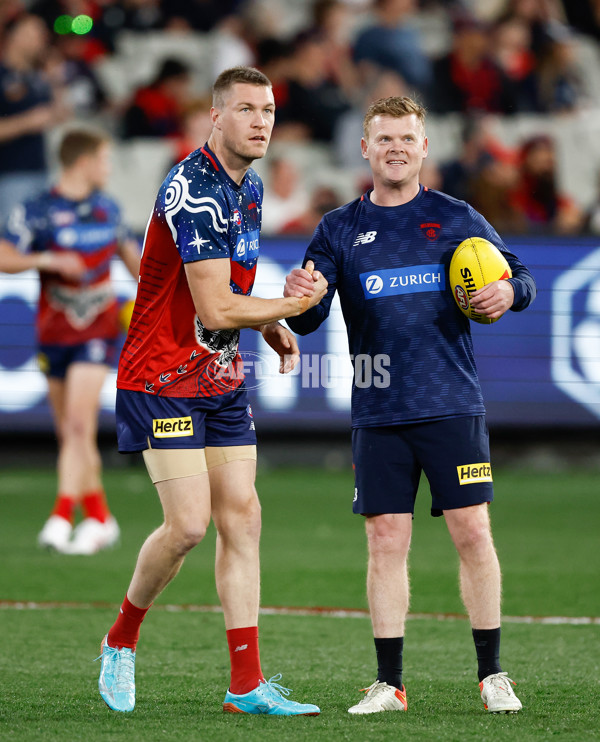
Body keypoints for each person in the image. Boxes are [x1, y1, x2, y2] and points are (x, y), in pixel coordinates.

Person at [284, 96, 536, 716]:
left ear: (425, 148)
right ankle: (389, 684)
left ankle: (493, 675)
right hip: (378, 410)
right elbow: (312, 316)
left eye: (407, 138)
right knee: (385, 542)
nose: (396, 147)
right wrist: (300, 295)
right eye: (384, 138)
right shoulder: (338, 228)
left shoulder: (457, 218)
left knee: (473, 533)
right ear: (365, 149)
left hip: (452, 404)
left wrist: (508, 291)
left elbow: (522, 277)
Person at [97, 66, 327, 715]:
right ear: (216, 117)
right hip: (162, 379)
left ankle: (246, 685)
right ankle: (120, 641)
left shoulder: (248, 191)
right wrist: (282, 306)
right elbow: (219, 310)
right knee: (189, 526)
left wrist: (277, 322)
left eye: (270, 110)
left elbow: (228, 307)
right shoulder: (193, 189)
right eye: (248, 109)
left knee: (243, 517)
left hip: (219, 379)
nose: (261, 121)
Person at [0, 127, 141, 554]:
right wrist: (45, 258)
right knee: (70, 433)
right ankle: (100, 517)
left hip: (97, 330)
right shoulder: (37, 211)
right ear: (83, 162)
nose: (108, 167)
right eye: (103, 159)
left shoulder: (107, 209)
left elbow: (134, 260)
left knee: (79, 425)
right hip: (53, 332)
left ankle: (62, 515)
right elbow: (5, 256)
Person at [0, 13, 70, 227]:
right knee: (10, 242)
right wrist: (27, 122)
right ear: (12, 36)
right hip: (8, 174)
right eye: (32, 31)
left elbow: (61, 114)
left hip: (40, 170)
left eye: (42, 32)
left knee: (37, 238)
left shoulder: (35, 77)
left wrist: (56, 79)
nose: (40, 37)